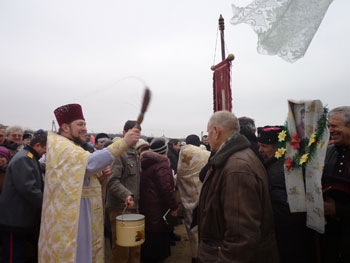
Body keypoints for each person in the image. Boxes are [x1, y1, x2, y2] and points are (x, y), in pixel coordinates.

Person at [38, 103, 140, 263]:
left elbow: (80, 175)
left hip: (80, 211)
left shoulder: (70, 146)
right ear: (65, 127)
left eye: (85, 124)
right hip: (71, 217)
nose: (85, 128)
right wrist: (123, 142)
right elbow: (90, 163)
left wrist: (98, 176)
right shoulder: (62, 147)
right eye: (80, 124)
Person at [197, 110, 278, 262]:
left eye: (208, 133)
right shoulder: (236, 157)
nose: (207, 138)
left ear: (216, 131)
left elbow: (242, 236)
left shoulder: (237, 168)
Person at [257, 125, 316, 263]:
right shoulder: (281, 163)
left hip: (288, 240)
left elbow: (284, 212)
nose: (260, 150)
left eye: (264, 146)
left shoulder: (280, 171)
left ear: (279, 147)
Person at [0, 132, 47, 263]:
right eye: (44, 150)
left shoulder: (29, 157)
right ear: (38, 145)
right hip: (13, 220)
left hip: (20, 219)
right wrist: (46, 205)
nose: (44, 154)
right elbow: (29, 188)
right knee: (13, 257)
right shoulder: (24, 159)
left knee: (20, 254)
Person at [106, 120, 142, 263]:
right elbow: (112, 181)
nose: (136, 137)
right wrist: (126, 194)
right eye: (133, 133)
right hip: (121, 209)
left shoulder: (135, 153)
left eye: (138, 134)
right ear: (124, 133)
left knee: (136, 244)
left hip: (134, 208)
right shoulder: (118, 153)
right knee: (122, 249)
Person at [139, 137, 178, 263]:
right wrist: (174, 206)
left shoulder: (146, 162)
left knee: (149, 236)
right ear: (164, 150)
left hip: (147, 205)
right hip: (158, 207)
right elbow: (166, 189)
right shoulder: (162, 165)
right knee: (157, 238)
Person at [321, 106, 350, 262]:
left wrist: (338, 209)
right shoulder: (329, 151)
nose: (330, 130)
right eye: (329, 126)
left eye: (334, 126)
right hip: (330, 235)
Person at [176, 134, 210, 263]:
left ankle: (194, 255)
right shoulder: (204, 155)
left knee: (191, 227)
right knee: (203, 226)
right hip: (201, 196)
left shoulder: (181, 154)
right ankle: (202, 254)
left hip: (186, 197)